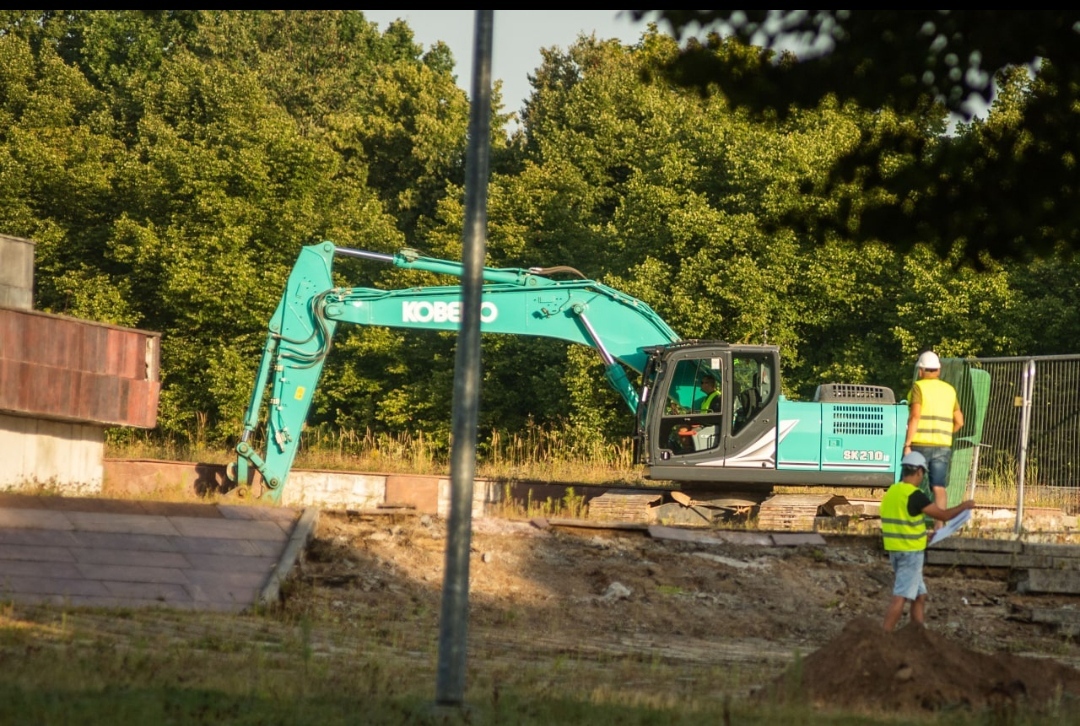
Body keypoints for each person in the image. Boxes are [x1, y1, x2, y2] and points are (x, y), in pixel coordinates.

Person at [882, 451, 975, 631]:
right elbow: (943, 514)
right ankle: (883, 637)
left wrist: (925, 536)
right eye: (922, 473)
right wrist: (964, 506)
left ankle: (917, 634)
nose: (922, 477)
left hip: (897, 550)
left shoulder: (892, 491)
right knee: (900, 596)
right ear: (918, 472)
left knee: (920, 595)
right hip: (911, 554)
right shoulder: (915, 495)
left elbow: (902, 523)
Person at [903, 350, 964, 529]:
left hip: (920, 444)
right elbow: (960, 421)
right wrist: (945, 433)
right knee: (938, 486)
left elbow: (915, 416)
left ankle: (908, 522)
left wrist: (907, 444)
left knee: (909, 485)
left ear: (921, 371)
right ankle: (939, 526)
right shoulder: (949, 390)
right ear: (938, 370)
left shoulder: (918, 387)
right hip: (942, 445)